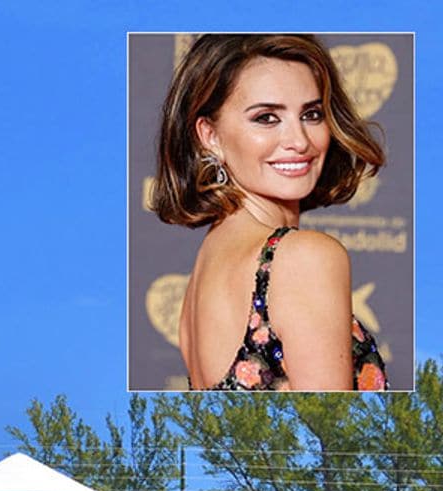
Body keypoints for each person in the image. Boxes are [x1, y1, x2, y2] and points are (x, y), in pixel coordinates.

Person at [150, 34, 388, 391]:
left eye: (311, 114)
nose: (300, 140)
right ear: (209, 135)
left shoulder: (205, 271)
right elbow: (334, 438)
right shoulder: (302, 256)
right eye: (266, 118)